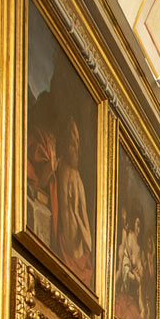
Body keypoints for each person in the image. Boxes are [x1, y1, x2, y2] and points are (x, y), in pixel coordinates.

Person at [55, 117, 94, 285]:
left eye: (77, 142)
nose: (76, 147)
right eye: (72, 143)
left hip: (77, 255)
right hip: (63, 249)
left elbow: (90, 244)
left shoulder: (78, 180)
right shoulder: (60, 167)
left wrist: (76, 213)